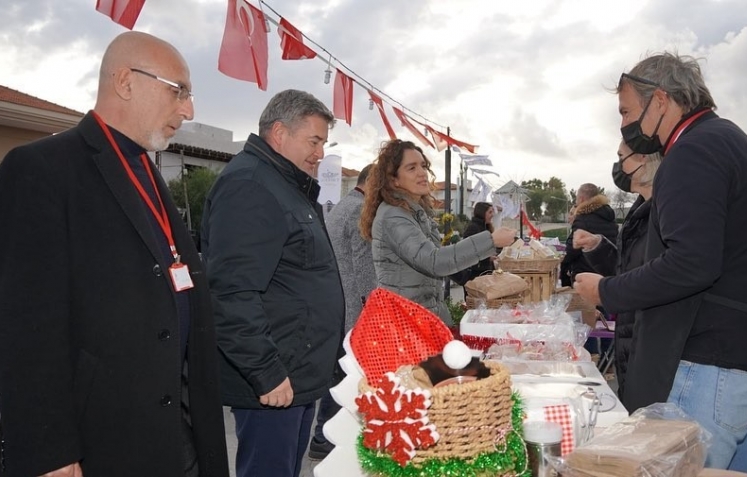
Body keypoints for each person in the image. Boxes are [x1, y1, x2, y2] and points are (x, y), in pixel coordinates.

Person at [0, 31, 228, 477]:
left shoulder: (148, 174)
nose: (188, 110)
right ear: (125, 82)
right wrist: (49, 451)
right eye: (180, 92)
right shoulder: (40, 169)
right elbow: (21, 327)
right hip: (98, 442)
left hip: (175, 433)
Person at [573, 52, 747, 471]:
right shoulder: (722, 140)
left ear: (660, 100)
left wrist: (606, 290)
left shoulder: (693, 151)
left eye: (626, 111)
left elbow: (691, 263)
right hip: (744, 355)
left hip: (716, 357)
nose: (623, 123)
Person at [201, 89, 344, 477]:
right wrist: (265, 371)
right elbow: (231, 291)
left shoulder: (284, 185)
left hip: (294, 371)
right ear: (279, 133)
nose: (319, 153)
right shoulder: (252, 186)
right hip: (274, 378)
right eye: (314, 141)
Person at [359, 139, 516, 325]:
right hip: (404, 326)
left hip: (421, 320)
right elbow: (435, 261)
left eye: (423, 166)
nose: (422, 173)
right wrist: (490, 241)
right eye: (411, 168)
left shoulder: (415, 212)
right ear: (394, 179)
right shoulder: (393, 216)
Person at [572, 141, 661, 400]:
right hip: (632, 341)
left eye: (622, 157)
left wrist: (605, 290)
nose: (619, 166)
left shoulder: (666, 208)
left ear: (644, 159)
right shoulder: (640, 207)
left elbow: (660, 277)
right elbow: (626, 267)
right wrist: (598, 246)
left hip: (649, 343)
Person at [308, 164, 377, 460]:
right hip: (352, 304)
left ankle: (323, 435)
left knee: (339, 371)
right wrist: (374, 305)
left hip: (337, 300)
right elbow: (363, 267)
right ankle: (324, 436)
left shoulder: (346, 205)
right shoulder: (360, 210)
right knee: (344, 374)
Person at [560, 183, 618, 286]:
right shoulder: (609, 217)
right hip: (608, 274)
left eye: (576, 200)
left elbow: (572, 249)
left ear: (581, 199)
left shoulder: (583, 219)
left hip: (586, 274)